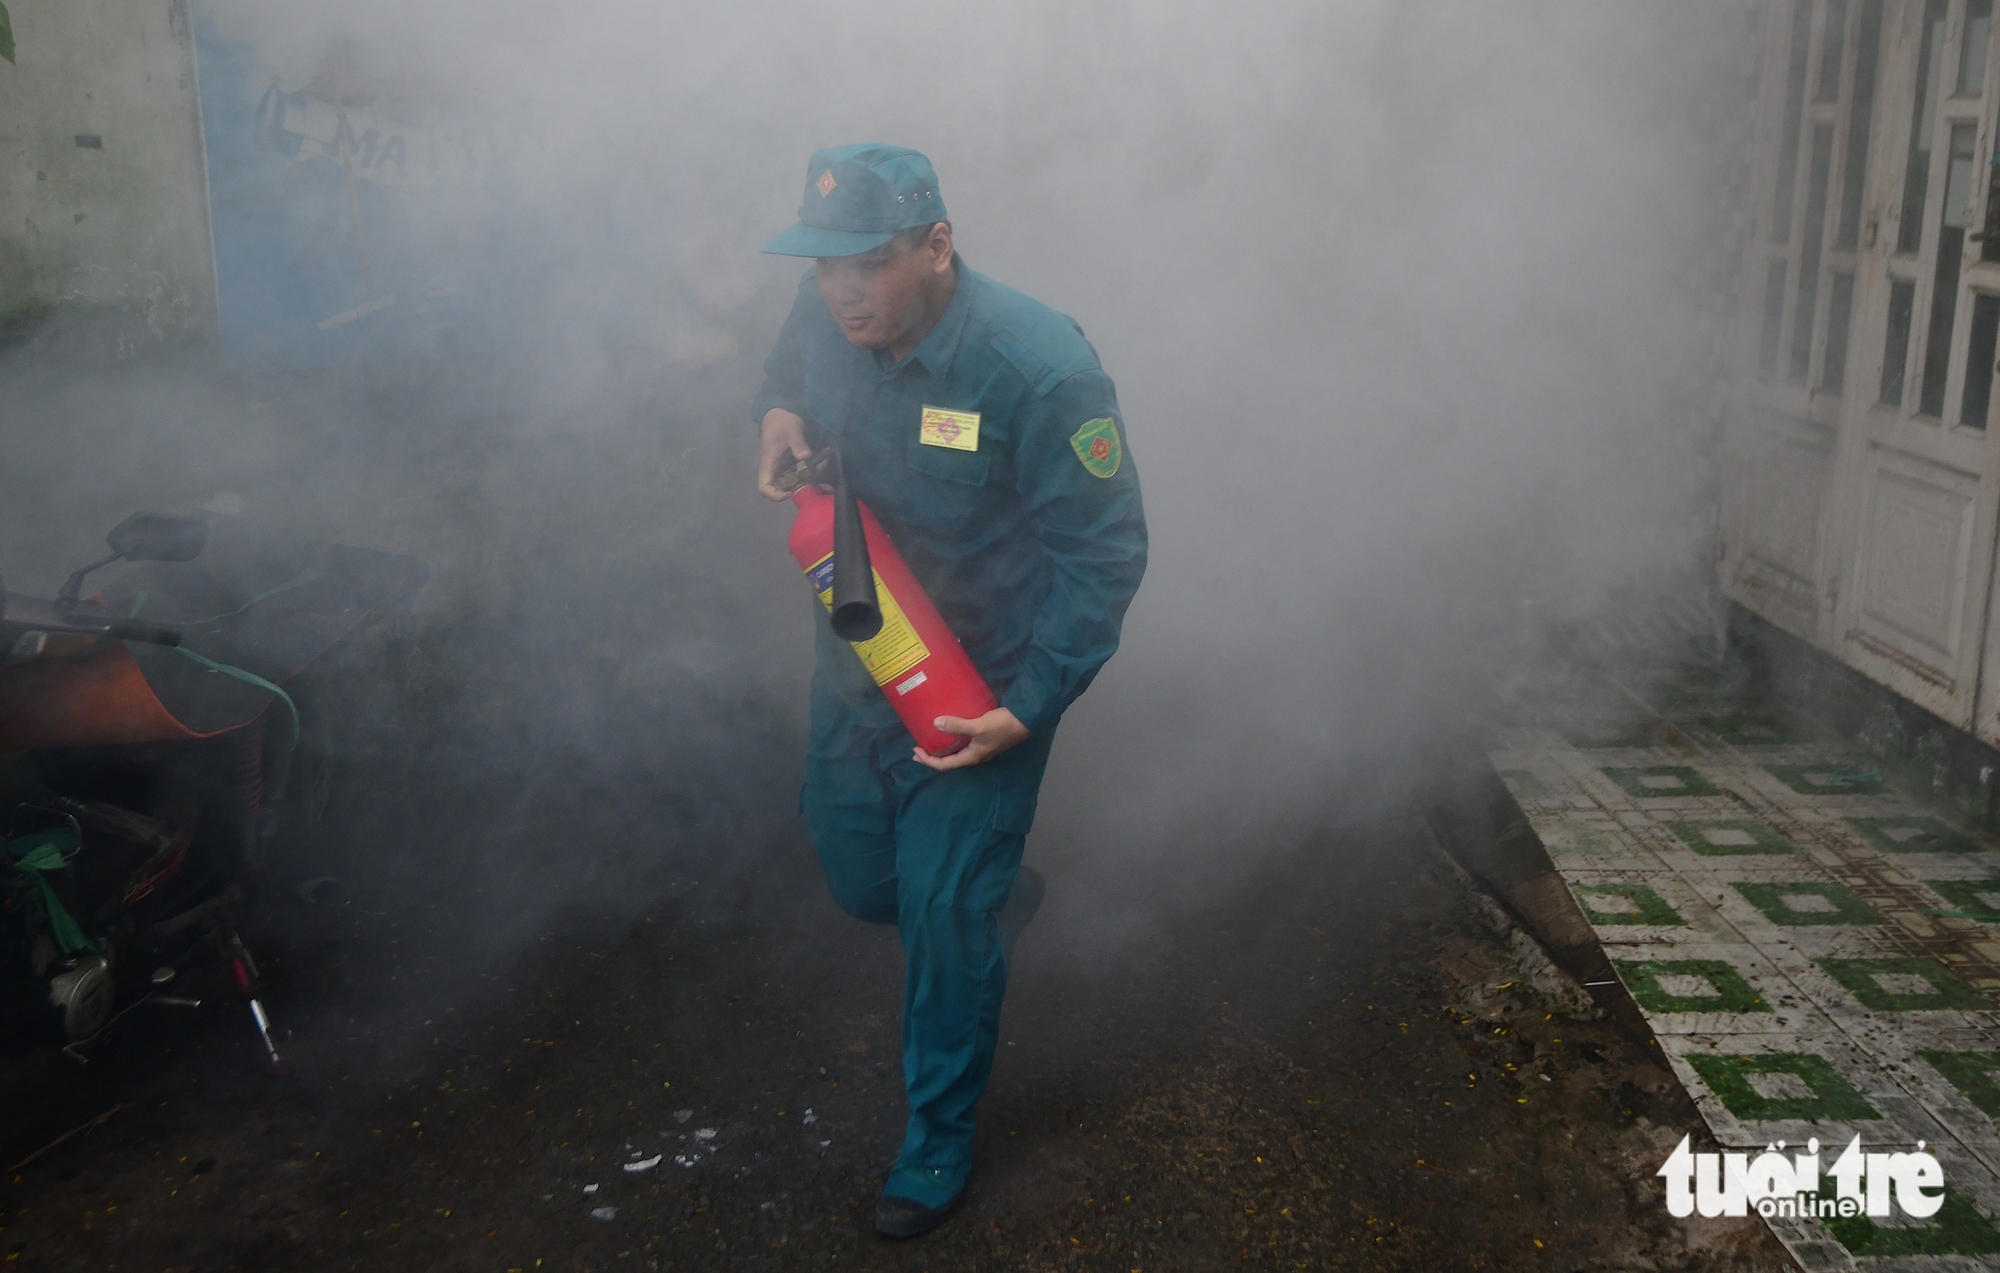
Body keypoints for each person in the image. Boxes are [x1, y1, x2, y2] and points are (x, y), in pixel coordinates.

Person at [751, 143, 1147, 1238]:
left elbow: (1103, 556)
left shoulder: (1037, 367)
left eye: (867, 263)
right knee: (858, 880)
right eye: (824, 264)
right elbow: (786, 367)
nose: (840, 288)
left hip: (978, 692)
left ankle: (935, 1142)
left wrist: (1026, 706)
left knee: (937, 916)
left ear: (937, 246)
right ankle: (988, 906)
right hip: (860, 657)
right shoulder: (826, 305)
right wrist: (775, 418)